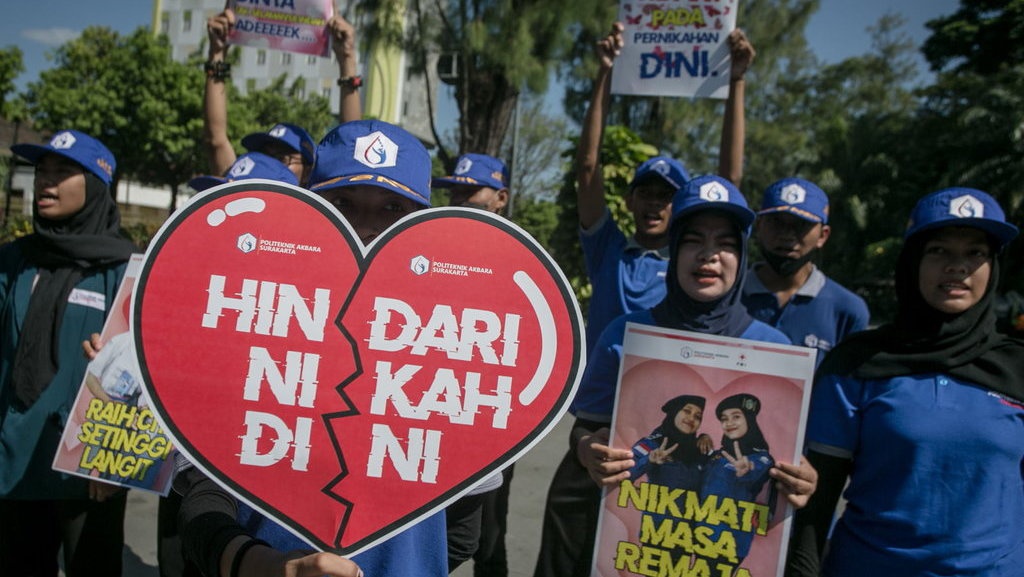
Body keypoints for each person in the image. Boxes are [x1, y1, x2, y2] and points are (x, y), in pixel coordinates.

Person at [173, 120, 446, 577]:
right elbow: (201, 498)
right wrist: (266, 566)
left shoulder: (454, 347)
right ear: (308, 205)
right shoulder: (244, 320)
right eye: (342, 203)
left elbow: (464, 523)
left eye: (393, 207)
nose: (365, 227)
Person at [536, 175, 817, 577]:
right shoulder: (624, 335)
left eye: (725, 243)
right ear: (673, 249)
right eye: (692, 241)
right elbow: (585, 428)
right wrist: (588, 452)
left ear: (740, 254)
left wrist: (801, 480)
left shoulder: (776, 350)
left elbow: (789, 461)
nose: (709, 255)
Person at [786, 187, 1024, 577]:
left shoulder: (1017, 366)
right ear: (912, 261)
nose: (957, 266)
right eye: (939, 251)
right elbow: (818, 498)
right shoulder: (857, 362)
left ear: (993, 266)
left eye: (975, 253)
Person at [573, 23, 756, 357]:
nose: (655, 204)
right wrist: (604, 72)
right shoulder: (607, 249)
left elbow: (729, 181)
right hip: (601, 399)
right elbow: (587, 168)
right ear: (629, 200)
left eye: (667, 196)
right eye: (646, 193)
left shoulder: (689, 262)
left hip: (664, 397)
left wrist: (737, 79)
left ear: (684, 206)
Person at [0, 130, 136, 576]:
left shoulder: (127, 270)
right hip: (14, 461)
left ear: (97, 182)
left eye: (63, 171)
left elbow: (145, 373)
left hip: (86, 471)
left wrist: (115, 464)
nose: (46, 182)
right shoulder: (15, 260)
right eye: (42, 171)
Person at [431, 151, 512, 573]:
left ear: (501, 197)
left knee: (480, 538)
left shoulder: (523, 264)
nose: (461, 201)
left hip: (489, 422)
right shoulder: (429, 249)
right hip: (425, 416)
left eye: (472, 193)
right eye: (454, 193)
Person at [202, 8, 363, 185]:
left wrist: (347, 60)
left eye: (281, 158)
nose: (267, 164)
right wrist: (217, 53)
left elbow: (352, 150)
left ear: (308, 173)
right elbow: (215, 140)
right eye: (264, 155)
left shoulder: (313, 207)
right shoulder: (239, 183)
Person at [742, 178, 869, 364]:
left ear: (822, 235)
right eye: (776, 222)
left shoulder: (847, 310)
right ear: (759, 226)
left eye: (801, 224)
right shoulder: (725, 296)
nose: (787, 234)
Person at [699, 393, 774, 565]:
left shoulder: (761, 457)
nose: (729, 423)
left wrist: (748, 469)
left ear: (749, 419)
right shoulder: (719, 455)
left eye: (736, 417)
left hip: (729, 544)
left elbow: (758, 468)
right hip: (701, 537)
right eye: (724, 419)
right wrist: (701, 438)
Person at [627, 394, 711, 489]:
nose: (692, 419)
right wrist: (649, 461)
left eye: (697, 416)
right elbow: (626, 473)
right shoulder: (652, 443)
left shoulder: (699, 448)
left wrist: (704, 437)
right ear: (674, 411)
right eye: (687, 411)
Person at [433, 153, 511, 214]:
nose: (458, 199)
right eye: (454, 192)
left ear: (501, 198)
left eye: (469, 191)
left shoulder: (512, 235)